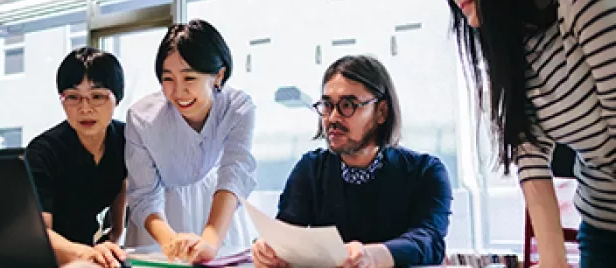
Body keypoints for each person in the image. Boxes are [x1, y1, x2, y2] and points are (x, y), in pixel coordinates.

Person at [450, 0, 616, 266]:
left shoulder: (582, 7)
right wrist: (552, 260)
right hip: (601, 224)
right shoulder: (513, 46)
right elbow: (529, 153)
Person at [251, 55, 452, 268]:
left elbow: (430, 241)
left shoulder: (425, 171)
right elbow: (286, 234)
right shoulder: (311, 169)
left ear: (381, 112)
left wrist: (373, 256)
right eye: (327, 105)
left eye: (348, 105)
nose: (333, 118)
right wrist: (268, 250)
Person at [124, 19, 257, 263]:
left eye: (189, 78)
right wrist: (170, 242)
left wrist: (209, 240)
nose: (178, 92)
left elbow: (233, 173)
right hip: (158, 220)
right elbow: (144, 194)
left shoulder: (238, 108)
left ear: (218, 75)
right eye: (168, 79)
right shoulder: (142, 117)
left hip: (217, 211)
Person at [25, 47, 127, 268]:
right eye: (73, 97)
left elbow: (122, 183)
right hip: (48, 255)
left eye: (97, 96)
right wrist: (86, 254)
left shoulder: (126, 139)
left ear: (117, 99)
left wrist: (115, 234)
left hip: (89, 251)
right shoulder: (42, 152)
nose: (85, 108)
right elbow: (40, 234)